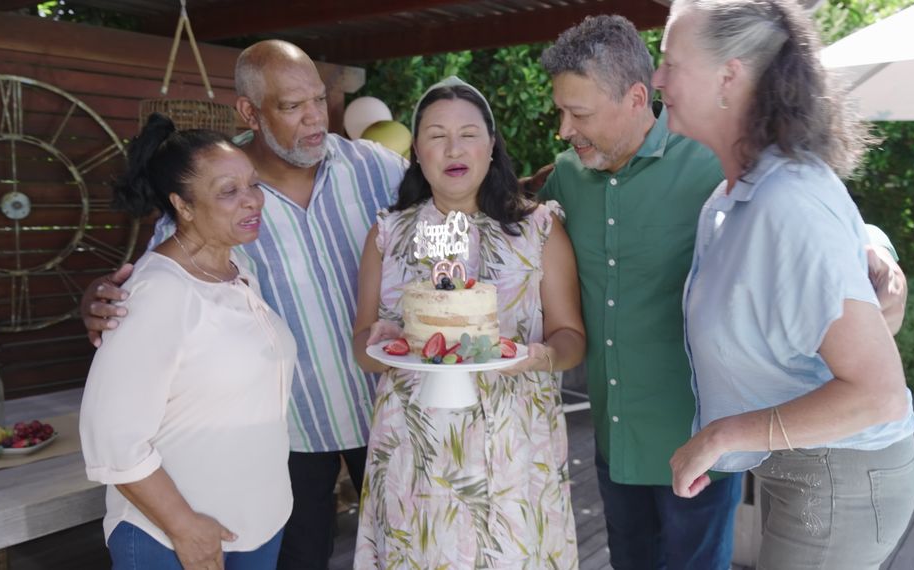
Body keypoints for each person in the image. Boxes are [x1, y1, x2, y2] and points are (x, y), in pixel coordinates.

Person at [537, 14, 908, 569]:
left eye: (579, 112)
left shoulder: (727, 168)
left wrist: (875, 253)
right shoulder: (582, 178)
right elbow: (515, 233)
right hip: (633, 440)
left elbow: (818, 220)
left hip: (714, 437)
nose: (565, 128)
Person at [79, 40, 407, 570]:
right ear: (249, 112)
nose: (313, 118)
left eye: (319, 101)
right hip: (293, 433)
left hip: (386, 411)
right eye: (291, 106)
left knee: (408, 551)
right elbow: (154, 287)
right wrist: (102, 301)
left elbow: (459, 208)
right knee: (303, 558)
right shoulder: (206, 190)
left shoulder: (381, 170)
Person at [654, 1, 914, 568]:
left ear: (729, 75)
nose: (656, 79)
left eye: (669, 61)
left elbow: (879, 393)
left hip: (841, 477)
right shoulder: (730, 200)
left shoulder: (786, 199)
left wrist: (721, 437)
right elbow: (837, 240)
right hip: (797, 464)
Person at [352, 77, 585, 568]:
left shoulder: (538, 228)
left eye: (468, 133)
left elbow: (571, 338)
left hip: (514, 447)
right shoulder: (389, 233)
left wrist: (540, 357)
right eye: (436, 135)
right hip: (416, 449)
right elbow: (362, 348)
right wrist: (381, 341)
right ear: (416, 150)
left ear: (492, 144)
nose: (453, 148)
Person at [79, 114, 295, 570]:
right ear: (183, 205)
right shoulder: (158, 291)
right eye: (228, 192)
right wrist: (184, 526)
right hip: (172, 539)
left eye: (253, 185)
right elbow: (114, 436)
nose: (253, 201)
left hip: (255, 527)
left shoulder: (239, 274)